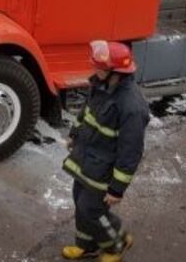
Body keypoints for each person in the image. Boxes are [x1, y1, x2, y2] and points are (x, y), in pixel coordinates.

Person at [61, 40, 148, 262]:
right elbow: (87, 113)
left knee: (90, 209)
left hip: (103, 171)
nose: (95, 70)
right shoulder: (101, 86)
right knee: (79, 202)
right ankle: (86, 245)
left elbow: (131, 152)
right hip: (86, 159)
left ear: (116, 72)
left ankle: (117, 243)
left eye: (100, 68)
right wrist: (74, 133)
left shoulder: (132, 107)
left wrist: (116, 189)